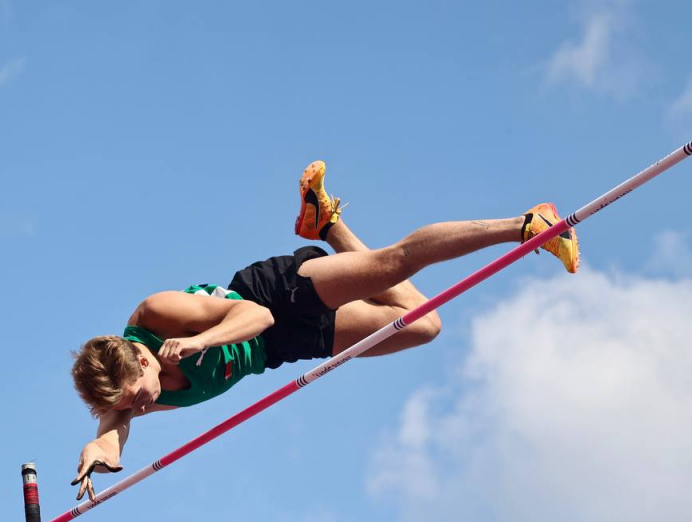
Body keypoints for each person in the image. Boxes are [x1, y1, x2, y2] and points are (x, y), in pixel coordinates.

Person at [70, 161, 579, 500]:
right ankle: (325, 224)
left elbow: (256, 316)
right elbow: (116, 433)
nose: (139, 408)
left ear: (142, 360)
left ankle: (528, 224)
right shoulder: (125, 397)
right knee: (424, 325)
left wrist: (201, 342)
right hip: (275, 349)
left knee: (393, 266)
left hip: (268, 296)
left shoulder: (156, 315)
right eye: (129, 406)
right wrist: (100, 452)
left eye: (138, 398)